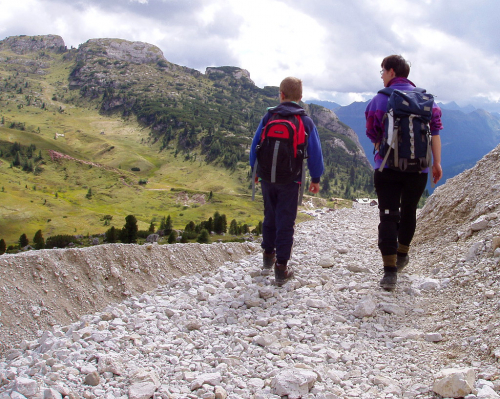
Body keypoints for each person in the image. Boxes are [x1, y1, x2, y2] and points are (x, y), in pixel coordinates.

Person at [365, 55, 443, 290]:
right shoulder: (428, 100)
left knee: (388, 215)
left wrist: (381, 146)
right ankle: (402, 255)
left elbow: (371, 130)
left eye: (382, 72)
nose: (382, 76)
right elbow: (436, 131)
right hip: (419, 168)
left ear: (390, 72)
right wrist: (436, 164)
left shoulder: (379, 99)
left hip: (387, 167)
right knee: (409, 210)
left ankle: (389, 273)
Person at [250, 77, 324, 286]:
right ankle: (281, 268)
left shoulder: (269, 116)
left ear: (280, 95)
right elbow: (315, 153)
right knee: (286, 220)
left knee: (269, 214)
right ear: (301, 98)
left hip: (266, 177)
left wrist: (254, 170)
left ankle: (267, 255)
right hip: (291, 180)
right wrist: (316, 178)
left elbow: (255, 144)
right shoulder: (305, 121)